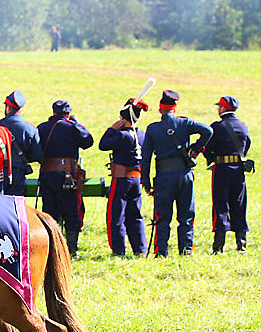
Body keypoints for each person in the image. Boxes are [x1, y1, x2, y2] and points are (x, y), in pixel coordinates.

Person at [140, 90, 212, 257]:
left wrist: (145, 180)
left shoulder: (153, 129)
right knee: (186, 216)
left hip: (164, 177)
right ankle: (186, 251)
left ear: (160, 109)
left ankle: (161, 252)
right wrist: (197, 147)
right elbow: (208, 131)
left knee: (163, 217)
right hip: (185, 175)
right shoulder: (184, 123)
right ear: (175, 108)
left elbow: (146, 157)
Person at [37, 100, 94, 257]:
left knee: (49, 211)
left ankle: (51, 250)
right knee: (71, 212)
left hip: (47, 174)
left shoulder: (42, 127)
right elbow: (88, 141)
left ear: (54, 112)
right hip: (67, 176)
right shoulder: (72, 127)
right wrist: (77, 124)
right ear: (68, 114)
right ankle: (70, 250)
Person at [98, 98, 149, 256]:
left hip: (121, 179)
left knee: (116, 216)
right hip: (136, 179)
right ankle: (140, 249)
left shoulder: (122, 136)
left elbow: (103, 144)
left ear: (123, 118)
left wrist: (111, 129)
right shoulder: (143, 135)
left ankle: (119, 250)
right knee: (136, 215)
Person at [202, 96, 251, 253]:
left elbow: (208, 148)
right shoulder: (243, 126)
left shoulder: (217, 126)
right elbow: (247, 144)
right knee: (239, 204)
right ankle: (241, 245)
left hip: (222, 169)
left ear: (223, 109)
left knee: (220, 205)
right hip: (238, 170)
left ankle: (218, 247)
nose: (218, 109)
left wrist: (211, 159)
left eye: (219, 107)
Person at [0, 90, 42, 196]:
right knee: (15, 206)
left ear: (7, 108)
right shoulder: (30, 129)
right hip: (18, 172)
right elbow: (37, 155)